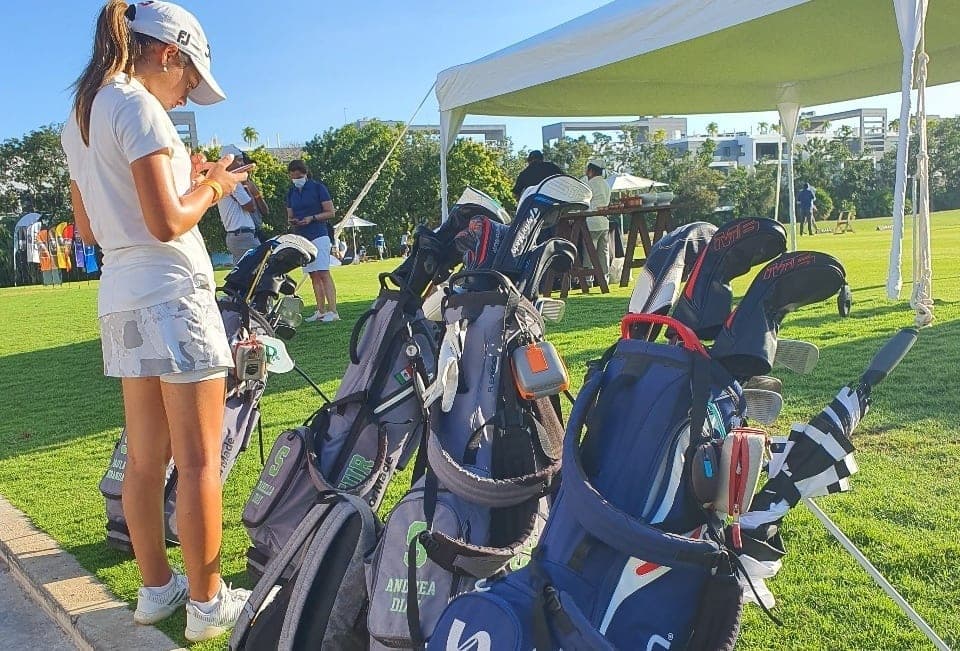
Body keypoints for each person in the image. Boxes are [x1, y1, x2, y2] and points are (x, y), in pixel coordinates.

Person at [61, 1, 251, 641]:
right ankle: (207, 602)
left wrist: (185, 180)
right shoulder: (139, 105)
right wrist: (216, 186)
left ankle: (156, 589)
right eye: (189, 79)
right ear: (169, 53)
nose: (186, 94)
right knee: (198, 462)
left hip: (121, 295)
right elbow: (168, 222)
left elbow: (90, 228)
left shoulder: (82, 112)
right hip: (173, 292)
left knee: (145, 462)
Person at [286, 159, 338, 322]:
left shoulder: (318, 188)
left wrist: (312, 218)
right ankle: (320, 310)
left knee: (323, 272)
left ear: (305, 174)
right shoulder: (291, 192)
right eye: (293, 177)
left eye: (299, 176)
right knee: (313, 274)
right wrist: (294, 221)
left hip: (319, 233)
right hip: (302, 237)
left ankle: (333, 311)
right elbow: (290, 215)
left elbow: (330, 212)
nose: (296, 179)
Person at [217, 156, 260, 264]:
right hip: (242, 235)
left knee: (242, 271)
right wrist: (247, 187)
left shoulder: (222, 182)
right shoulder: (233, 183)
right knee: (259, 266)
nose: (242, 164)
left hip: (237, 235)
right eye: (239, 160)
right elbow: (251, 207)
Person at [581, 160, 612, 284]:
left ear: (591, 171)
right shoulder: (606, 184)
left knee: (589, 253)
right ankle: (604, 279)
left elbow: (583, 202)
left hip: (591, 222)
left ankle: (588, 280)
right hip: (604, 222)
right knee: (603, 253)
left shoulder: (589, 184)